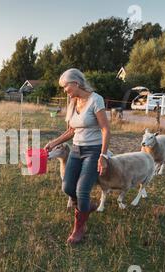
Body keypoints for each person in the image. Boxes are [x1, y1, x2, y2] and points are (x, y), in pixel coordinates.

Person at [45, 68, 111, 244]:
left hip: (93, 150)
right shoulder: (73, 102)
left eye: (65, 86)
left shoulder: (96, 100)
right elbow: (72, 130)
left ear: (76, 83)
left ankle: (79, 228)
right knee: (67, 187)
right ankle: (86, 207)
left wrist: (103, 155)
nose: (64, 90)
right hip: (76, 149)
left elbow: (105, 129)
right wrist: (53, 142)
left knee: (82, 190)